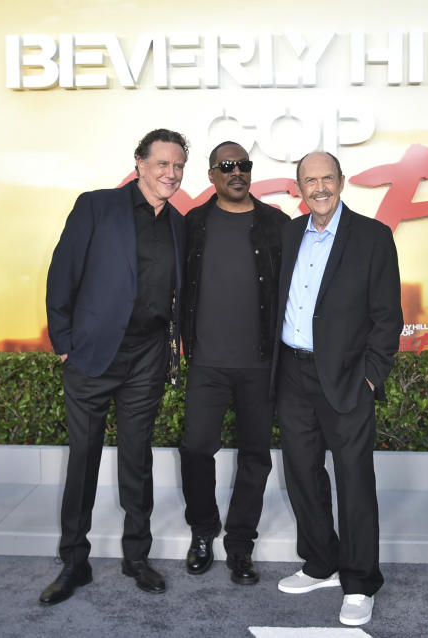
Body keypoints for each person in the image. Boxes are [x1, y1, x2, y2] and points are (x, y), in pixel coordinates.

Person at [40, 129, 188, 604]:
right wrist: (64, 343)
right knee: (82, 458)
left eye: (178, 166)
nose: (171, 173)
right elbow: (62, 273)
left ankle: (136, 556)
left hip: (147, 356)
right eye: (162, 163)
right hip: (92, 355)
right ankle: (73, 562)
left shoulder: (180, 225)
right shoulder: (97, 206)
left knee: (137, 458)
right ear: (140, 164)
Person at [273, 151, 402, 626]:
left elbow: (388, 316)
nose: (320, 187)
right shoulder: (288, 234)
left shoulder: (372, 237)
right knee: (302, 473)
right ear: (299, 187)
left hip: (348, 377)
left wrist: (372, 375)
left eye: (328, 178)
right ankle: (321, 562)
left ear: (342, 182)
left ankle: (359, 579)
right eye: (311, 180)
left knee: (353, 478)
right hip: (292, 373)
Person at [179, 141, 289, 585]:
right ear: (211, 175)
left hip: (260, 364)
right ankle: (203, 533)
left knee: (255, 456)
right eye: (227, 166)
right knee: (196, 449)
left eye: (243, 165)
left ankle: (240, 546)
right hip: (206, 363)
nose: (236, 172)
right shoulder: (193, 224)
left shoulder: (276, 225)